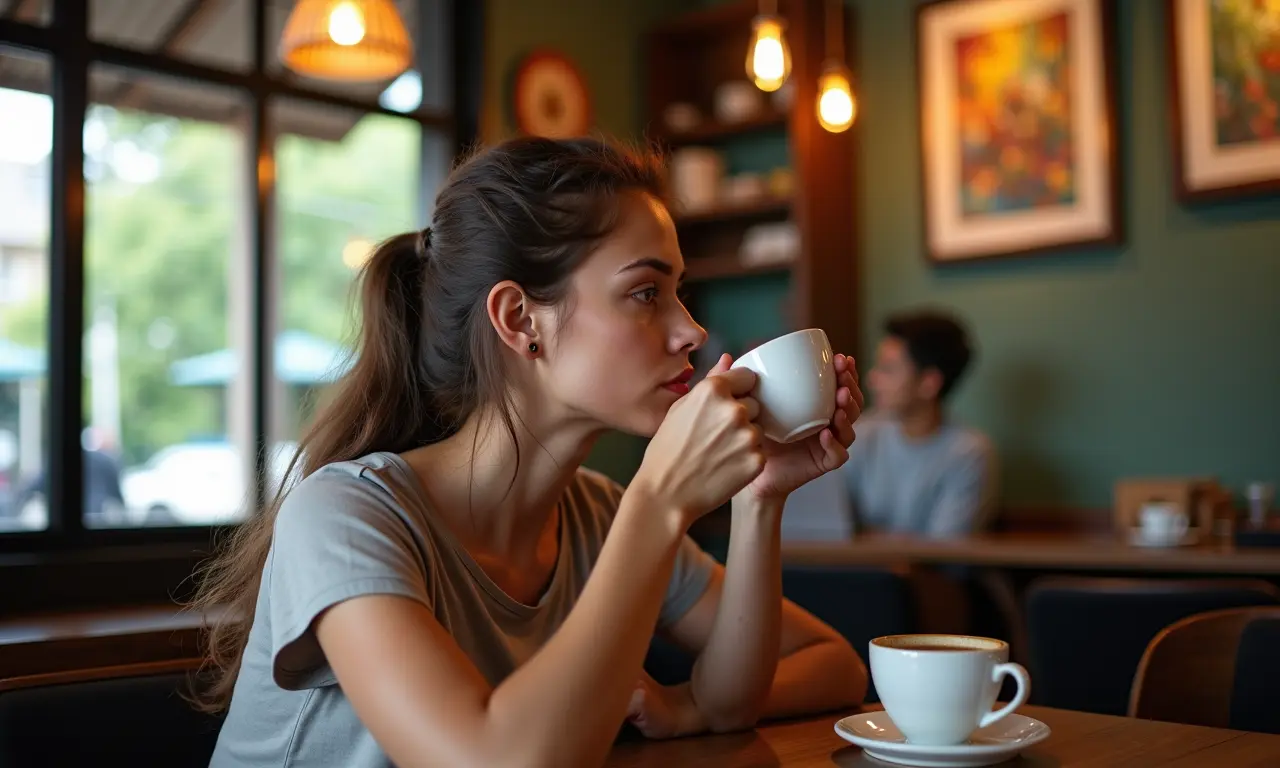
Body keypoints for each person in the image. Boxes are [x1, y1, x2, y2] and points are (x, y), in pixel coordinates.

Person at [195, 136, 868, 768]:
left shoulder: (595, 517)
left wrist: (759, 498)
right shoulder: (343, 515)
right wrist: (658, 501)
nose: (691, 329)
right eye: (645, 293)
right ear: (519, 319)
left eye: (679, 294)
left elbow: (814, 667)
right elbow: (491, 757)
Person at [838, 309, 996, 538]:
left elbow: (944, 552)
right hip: (853, 571)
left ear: (929, 383)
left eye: (887, 369)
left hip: (928, 575)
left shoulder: (969, 453)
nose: (872, 379)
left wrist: (867, 538)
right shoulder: (861, 434)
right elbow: (832, 523)